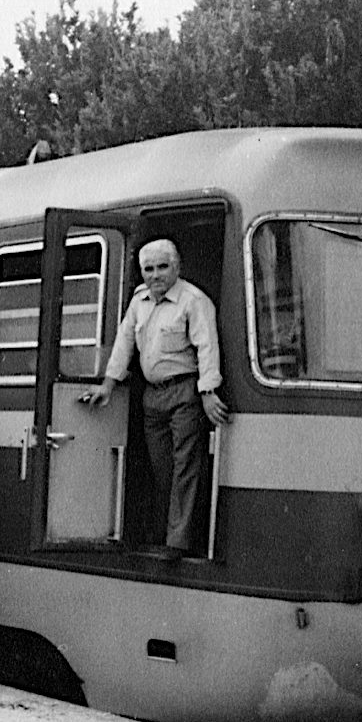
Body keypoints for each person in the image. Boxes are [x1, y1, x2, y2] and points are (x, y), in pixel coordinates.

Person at [80, 238, 231, 560]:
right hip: (153, 395)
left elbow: (207, 347)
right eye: (148, 269)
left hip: (185, 392)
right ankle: (168, 532)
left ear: (177, 267)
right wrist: (108, 384)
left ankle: (177, 543)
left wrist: (207, 392)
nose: (155, 275)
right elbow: (124, 343)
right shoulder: (139, 301)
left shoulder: (193, 301)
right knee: (162, 467)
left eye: (163, 267)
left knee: (185, 467)